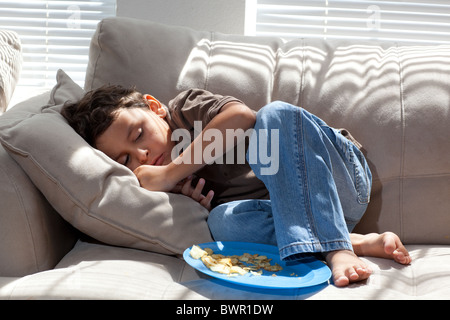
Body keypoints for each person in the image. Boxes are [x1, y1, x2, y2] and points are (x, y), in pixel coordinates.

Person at [61, 85, 411, 287]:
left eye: (139, 134)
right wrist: (188, 199)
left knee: (274, 116)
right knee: (222, 222)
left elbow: (242, 116)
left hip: (341, 179)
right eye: (125, 161)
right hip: (299, 216)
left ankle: (338, 250)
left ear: (155, 108)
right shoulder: (165, 185)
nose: (141, 154)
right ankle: (354, 241)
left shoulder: (185, 110)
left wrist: (169, 172)